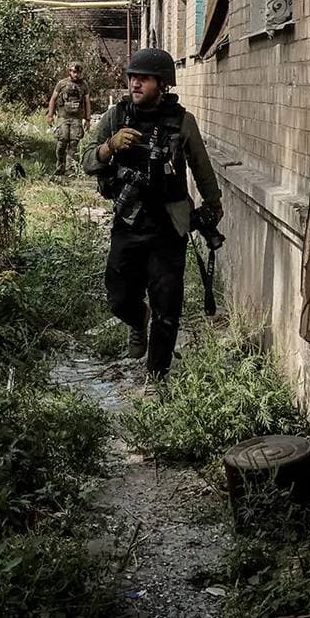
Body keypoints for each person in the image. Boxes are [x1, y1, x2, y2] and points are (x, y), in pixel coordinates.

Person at [82, 47, 222, 379]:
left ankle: (156, 377)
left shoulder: (182, 121)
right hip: (129, 220)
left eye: (143, 78)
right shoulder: (116, 117)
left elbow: (202, 167)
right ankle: (137, 318)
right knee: (119, 298)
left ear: (162, 84)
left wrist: (213, 205)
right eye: (132, 77)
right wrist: (109, 147)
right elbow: (87, 160)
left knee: (168, 306)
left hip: (169, 226)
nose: (135, 83)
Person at [46, 62, 92, 174]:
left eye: (78, 72)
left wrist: (88, 119)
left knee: (74, 143)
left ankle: (69, 168)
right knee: (62, 141)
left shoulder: (84, 85)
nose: (76, 75)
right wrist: (50, 115)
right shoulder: (62, 84)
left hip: (77, 119)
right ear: (70, 72)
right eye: (74, 72)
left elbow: (87, 102)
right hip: (63, 117)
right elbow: (53, 99)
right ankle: (60, 164)